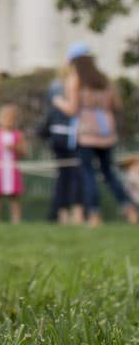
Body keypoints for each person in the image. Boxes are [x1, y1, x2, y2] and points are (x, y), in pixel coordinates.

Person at [55, 42, 138, 226]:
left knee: (88, 174)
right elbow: (117, 105)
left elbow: (73, 109)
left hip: (85, 133)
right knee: (109, 173)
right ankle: (129, 210)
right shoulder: (104, 79)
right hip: (106, 131)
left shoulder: (76, 80)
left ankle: (94, 215)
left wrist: (59, 102)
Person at [41, 68, 82, 224]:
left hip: (64, 135)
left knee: (67, 177)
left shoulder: (56, 86)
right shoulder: (61, 87)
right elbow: (71, 110)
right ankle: (69, 215)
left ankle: (64, 215)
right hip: (70, 136)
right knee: (72, 177)